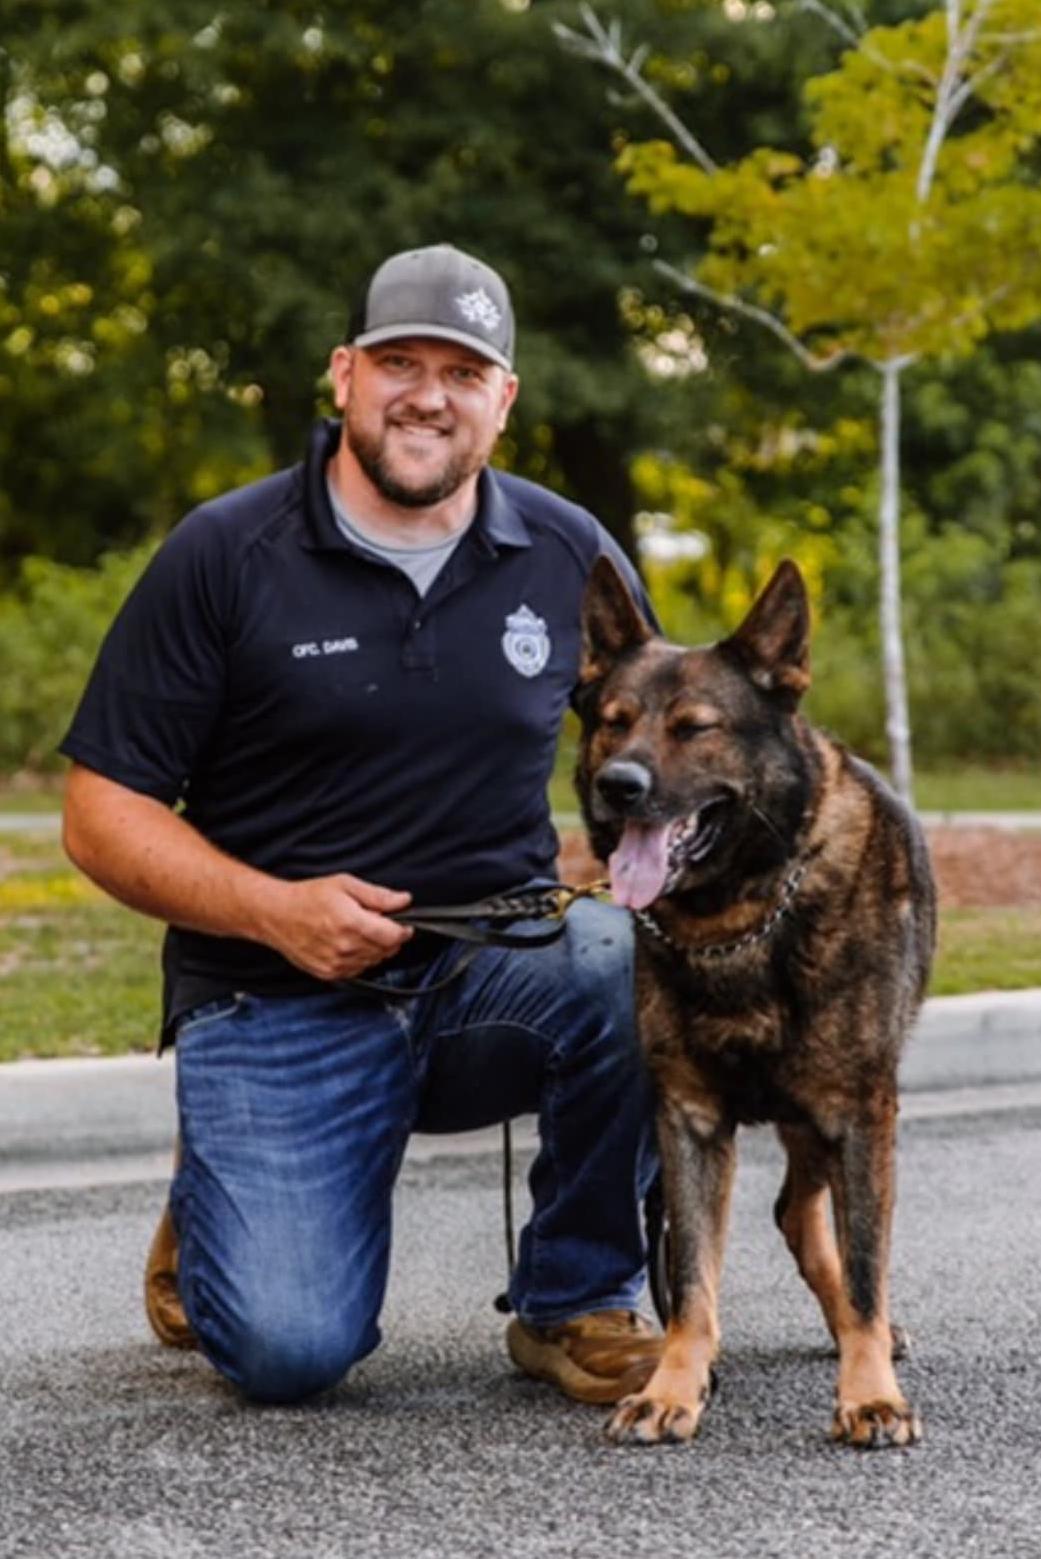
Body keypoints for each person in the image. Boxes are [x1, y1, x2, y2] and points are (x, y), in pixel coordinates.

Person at [61, 243, 661, 1407]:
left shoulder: (566, 551)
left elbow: (668, 735)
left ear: (505, 400)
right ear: (344, 375)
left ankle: (578, 1297)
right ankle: (218, 1184)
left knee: (628, 955)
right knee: (288, 1354)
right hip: (274, 987)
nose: (428, 394)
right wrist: (272, 910)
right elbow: (99, 811)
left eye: (463, 370)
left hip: (495, 968)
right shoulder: (226, 554)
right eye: (399, 361)